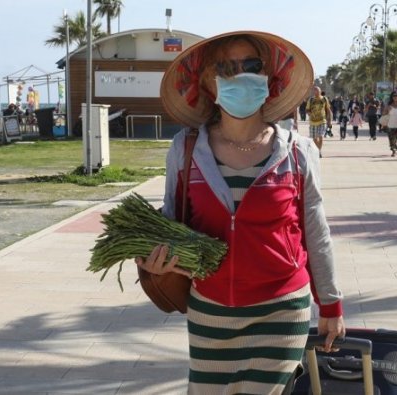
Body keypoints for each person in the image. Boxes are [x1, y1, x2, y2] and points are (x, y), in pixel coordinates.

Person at [139, 31, 345, 394]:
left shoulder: (296, 152)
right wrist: (156, 258)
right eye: (226, 68)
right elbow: (171, 220)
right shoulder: (186, 148)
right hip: (210, 309)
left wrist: (330, 304)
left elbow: (316, 232)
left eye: (251, 65)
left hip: (281, 310)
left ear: (268, 78)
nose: (240, 75)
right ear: (210, 83)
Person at [307, 86, 332, 157]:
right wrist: (310, 114)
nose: (316, 92)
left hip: (322, 121)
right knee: (315, 139)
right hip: (313, 122)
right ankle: (317, 150)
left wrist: (329, 120)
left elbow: (328, 110)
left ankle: (319, 151)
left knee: (320, 136)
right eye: (314, 91)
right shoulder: (311, 100)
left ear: (320, 91)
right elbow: (307, 109)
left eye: (317, 91)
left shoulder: (324, 99)